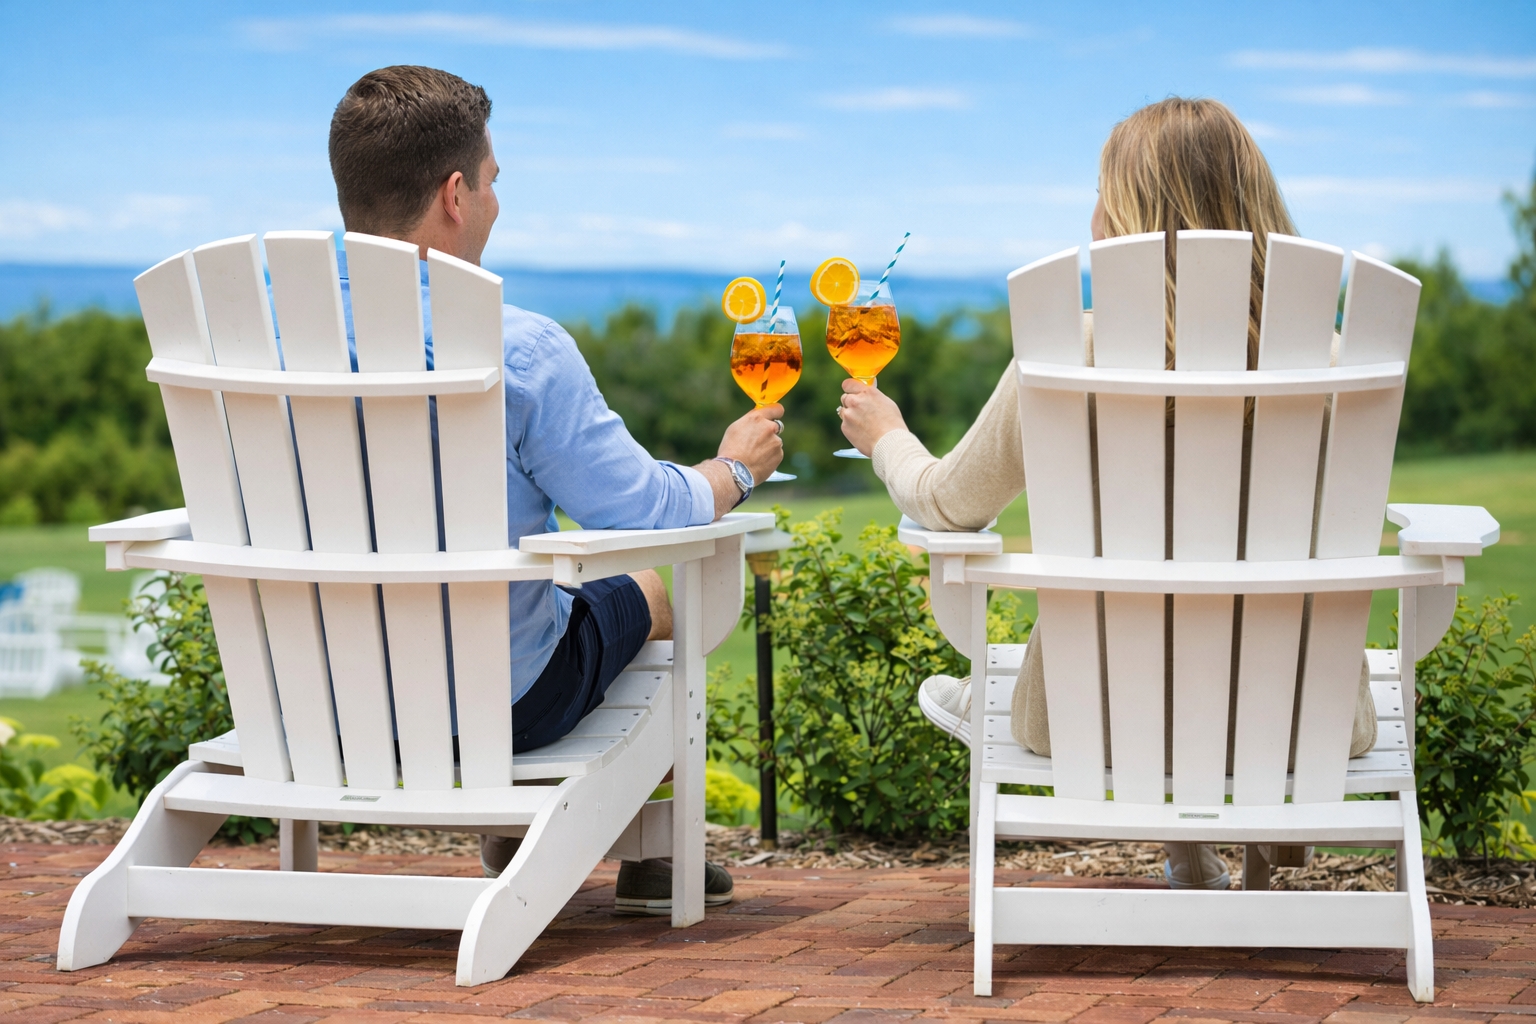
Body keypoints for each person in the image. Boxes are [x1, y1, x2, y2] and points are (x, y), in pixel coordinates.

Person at [836, 97, 1377, 891]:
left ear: (1128, 215)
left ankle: (1176, 837)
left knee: (1021, 670)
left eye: (1100, 189)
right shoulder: (1336, 364)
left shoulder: (1067, 353)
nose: (1089, 210)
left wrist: (888, 438)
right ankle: (1219, 846)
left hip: (1095, 725)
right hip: (1307, 727)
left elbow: (951, 505)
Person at [324, 66, 781, 906]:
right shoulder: (518, 349)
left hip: (315, 706)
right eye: (494, 182)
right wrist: (734, 470)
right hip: (503, 708)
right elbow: (644, 513)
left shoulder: (263, 341)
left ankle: (513, 832)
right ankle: (657, 861)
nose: (498, 202)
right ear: (454, 194)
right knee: (671, 583)